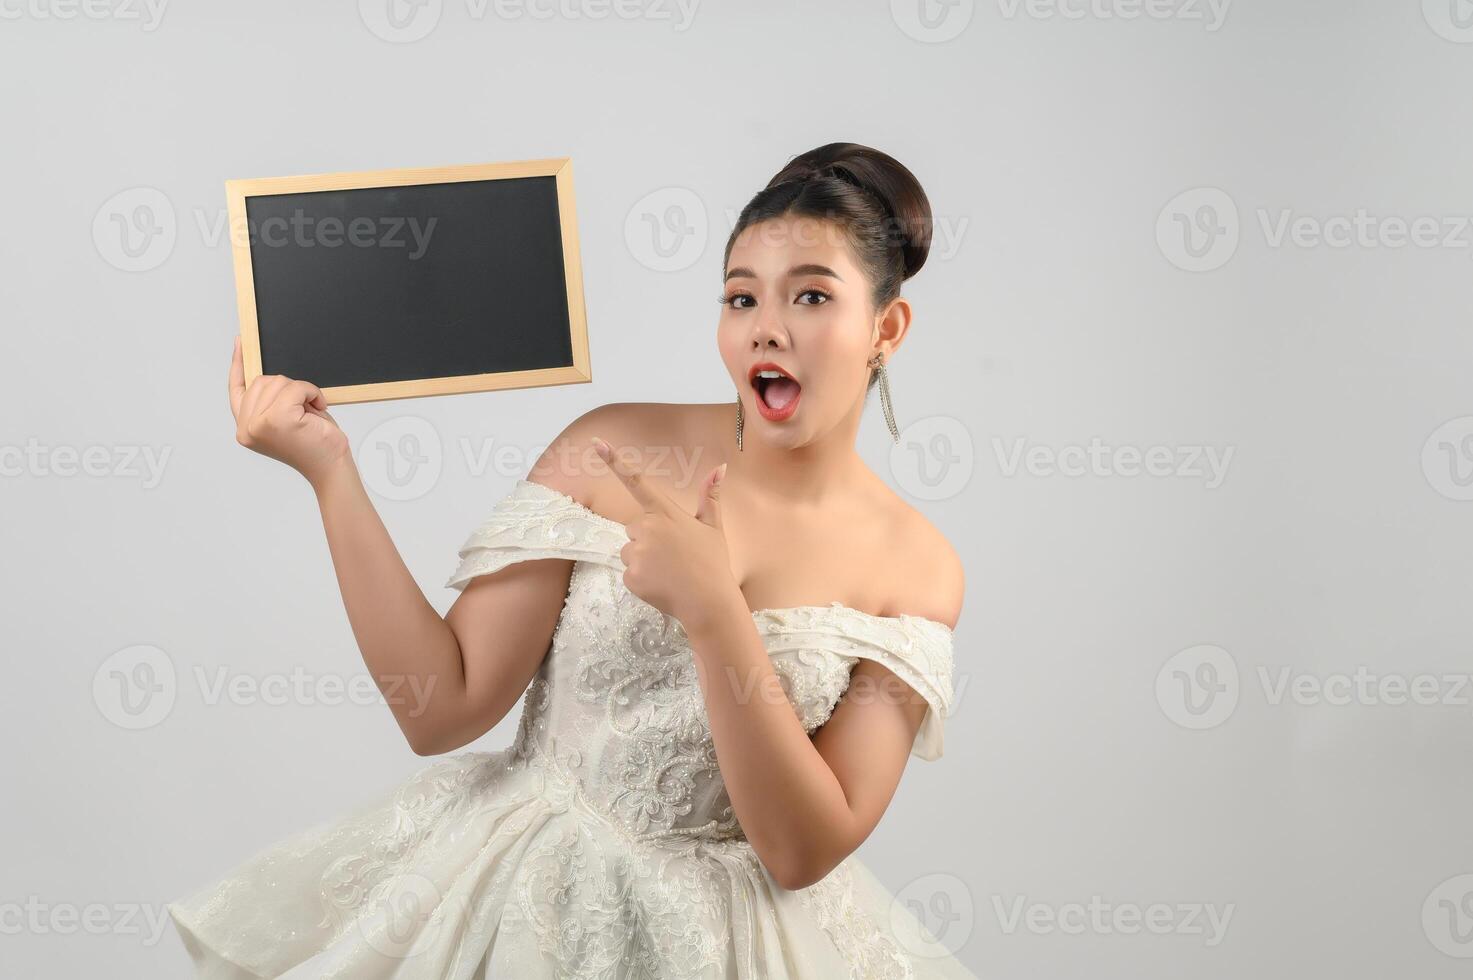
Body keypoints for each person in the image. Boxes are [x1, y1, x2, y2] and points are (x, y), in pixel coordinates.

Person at [167, 141, 975, 979]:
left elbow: (801, 851)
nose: (766, 327)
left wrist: (713, 612)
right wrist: (328, 471)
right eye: (741, 298)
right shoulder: (614, 446)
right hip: (524, 908)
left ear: (885, 328)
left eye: (810, 295)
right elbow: (439, 708)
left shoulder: (917, 569)